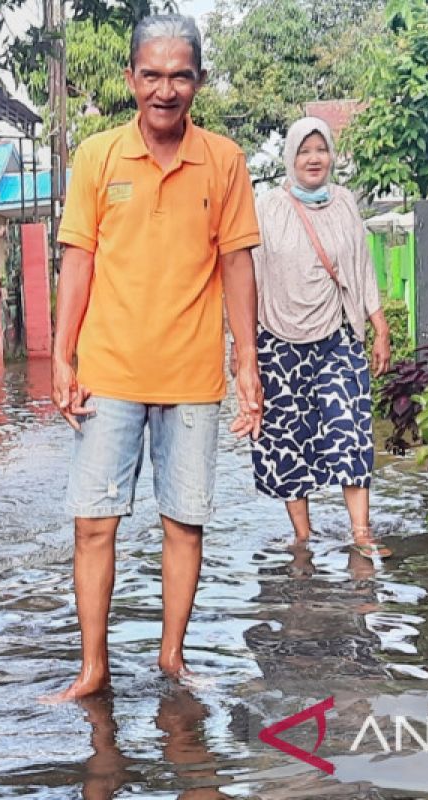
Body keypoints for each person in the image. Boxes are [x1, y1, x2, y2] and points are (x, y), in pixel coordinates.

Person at [49, 14, 263, 702]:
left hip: (192, 376)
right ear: (130, 79)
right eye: (152, 74)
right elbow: (77, 261)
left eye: (180, 75)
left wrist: (246, 362)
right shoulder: (98, 157)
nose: (165, 89)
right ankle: (94, 668)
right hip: (109, 372)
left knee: (185, 521)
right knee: (93, 524)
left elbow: (236, 264)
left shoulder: (224, 161)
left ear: (197, 80)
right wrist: (62, 357)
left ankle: (172, 658)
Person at [248, 116, 392, 558]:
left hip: (337, 334)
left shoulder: (346, 202)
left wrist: (380, 325)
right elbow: (247, 275)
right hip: (277, 336)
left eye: (321, 150)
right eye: (305, 151)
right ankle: (303, 536)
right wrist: (243, 353)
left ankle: (361, 531)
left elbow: (362, 267)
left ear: (331, 155)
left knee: (350, 428)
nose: (314, 159)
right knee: (288, 436)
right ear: (291, 157)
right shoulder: (267, 207)